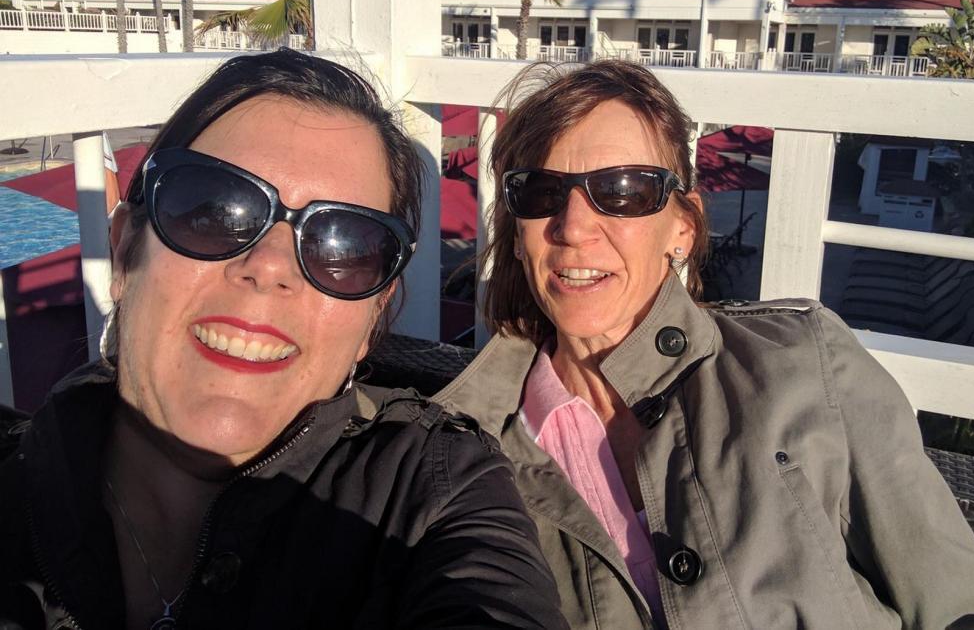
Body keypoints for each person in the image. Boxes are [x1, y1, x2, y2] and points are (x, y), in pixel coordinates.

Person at [435, 58, 974, 629]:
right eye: (539, 193)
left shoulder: (804, 363)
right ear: (518, 238)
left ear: (682, 231)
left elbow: (969, 607)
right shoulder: (465, 450)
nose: (573, 226)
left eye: (622, 190)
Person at [0, 49, 566, 630]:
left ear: (372, 320)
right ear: (124, 251)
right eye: (214, 210)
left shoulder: (435, 496)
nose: (269, 266)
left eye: (344, 244)